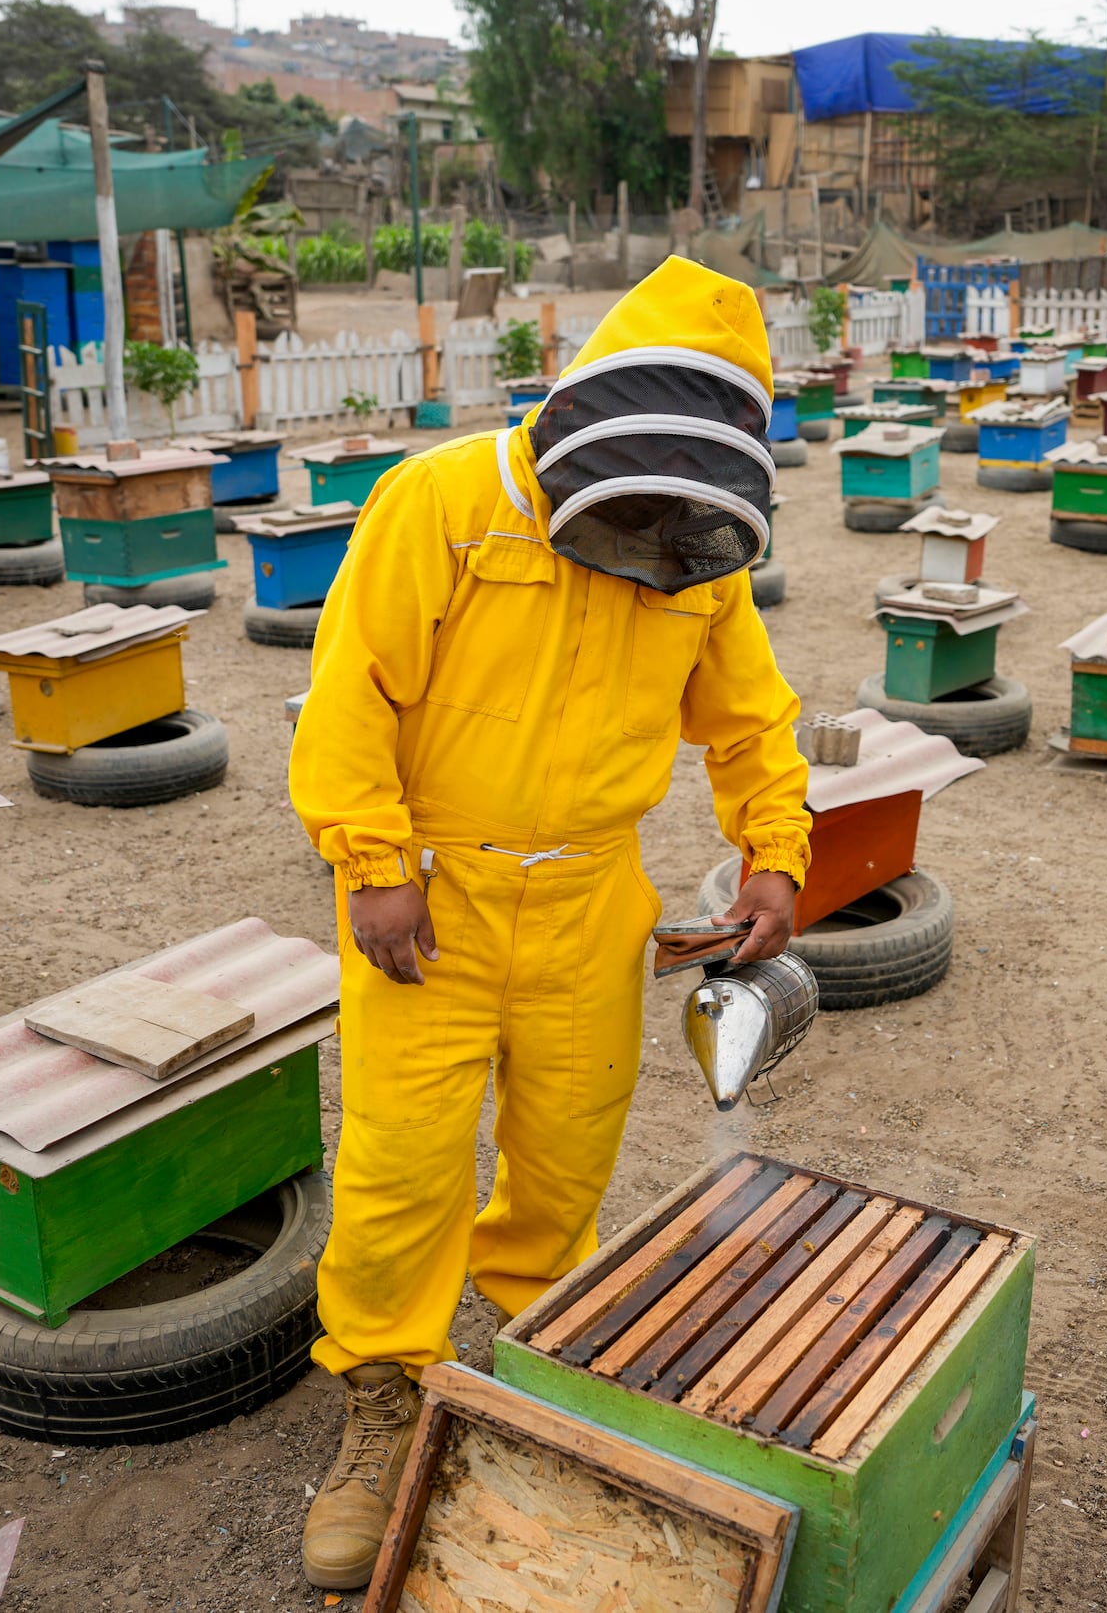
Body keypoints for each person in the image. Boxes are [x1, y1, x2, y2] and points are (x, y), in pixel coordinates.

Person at [285, 256, 813, 1590]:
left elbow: (751, 718)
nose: (647, 533)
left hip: (593, 894)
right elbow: (352, 694)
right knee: (403, 1158)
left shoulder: (696, 549)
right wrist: (374, 861)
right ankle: (385, 1390)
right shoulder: (443, 501)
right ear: (586, 415)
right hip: (437, 896)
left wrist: (774, 855)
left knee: (570, 1144)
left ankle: (541, 1348)